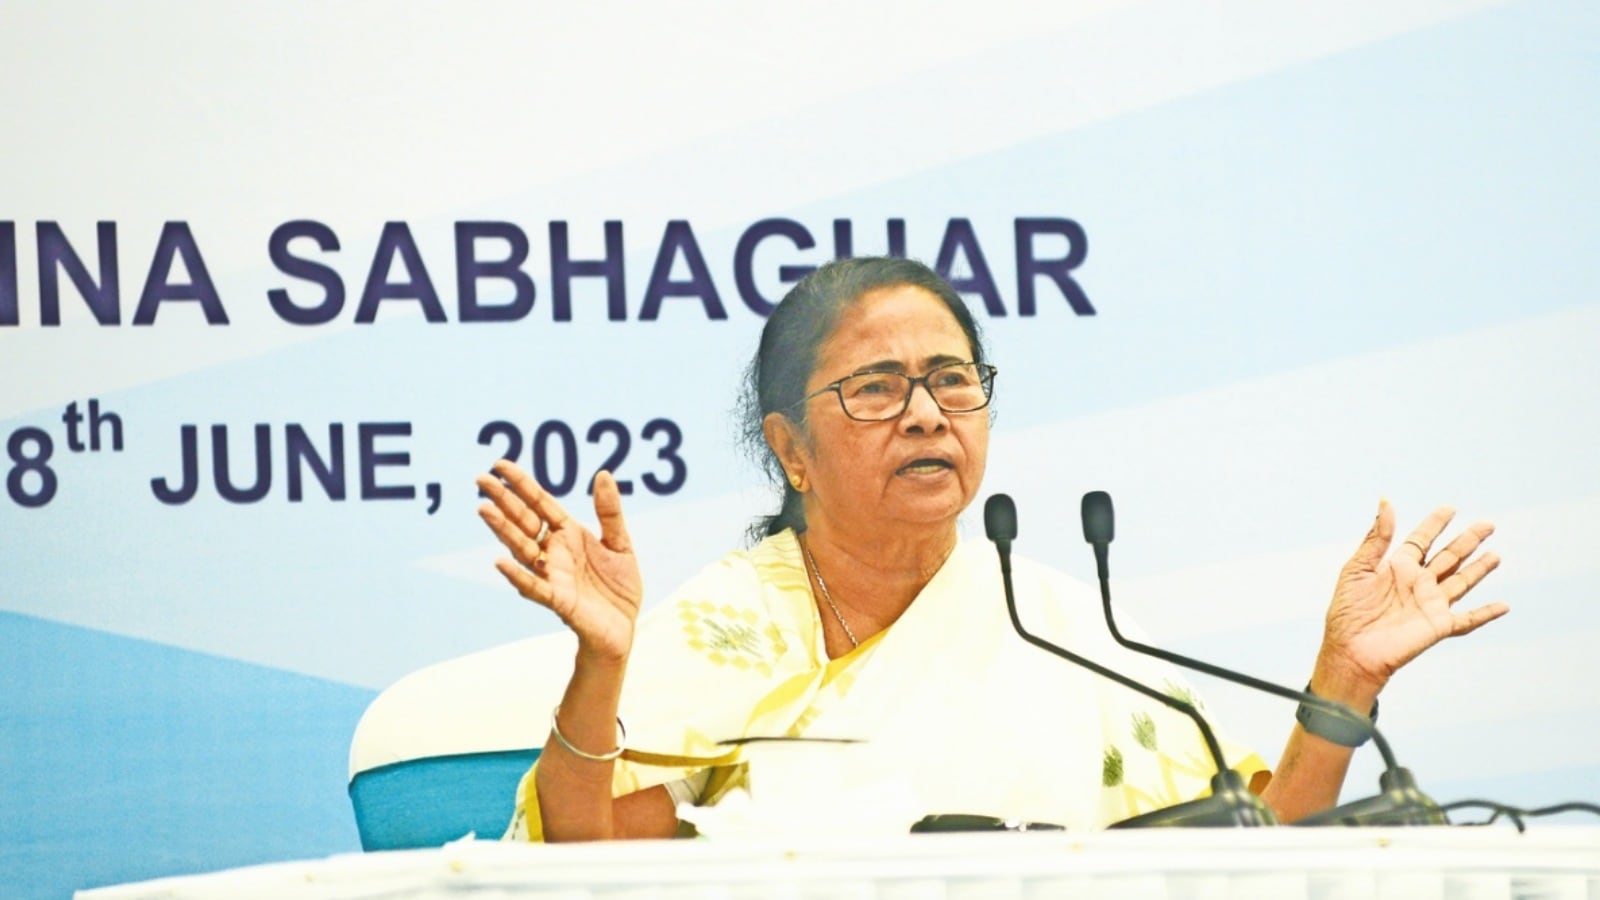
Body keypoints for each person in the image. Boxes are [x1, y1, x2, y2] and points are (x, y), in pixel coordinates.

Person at [476, 256, 1506, 842]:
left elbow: (1252, 859)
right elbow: (589, 865)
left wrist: (1342, 681)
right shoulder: (730, 625)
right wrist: (603, 662)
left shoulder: (1060, 626)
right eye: (877, 388)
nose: (926, 413)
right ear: (790, 450)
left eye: (951, 379)